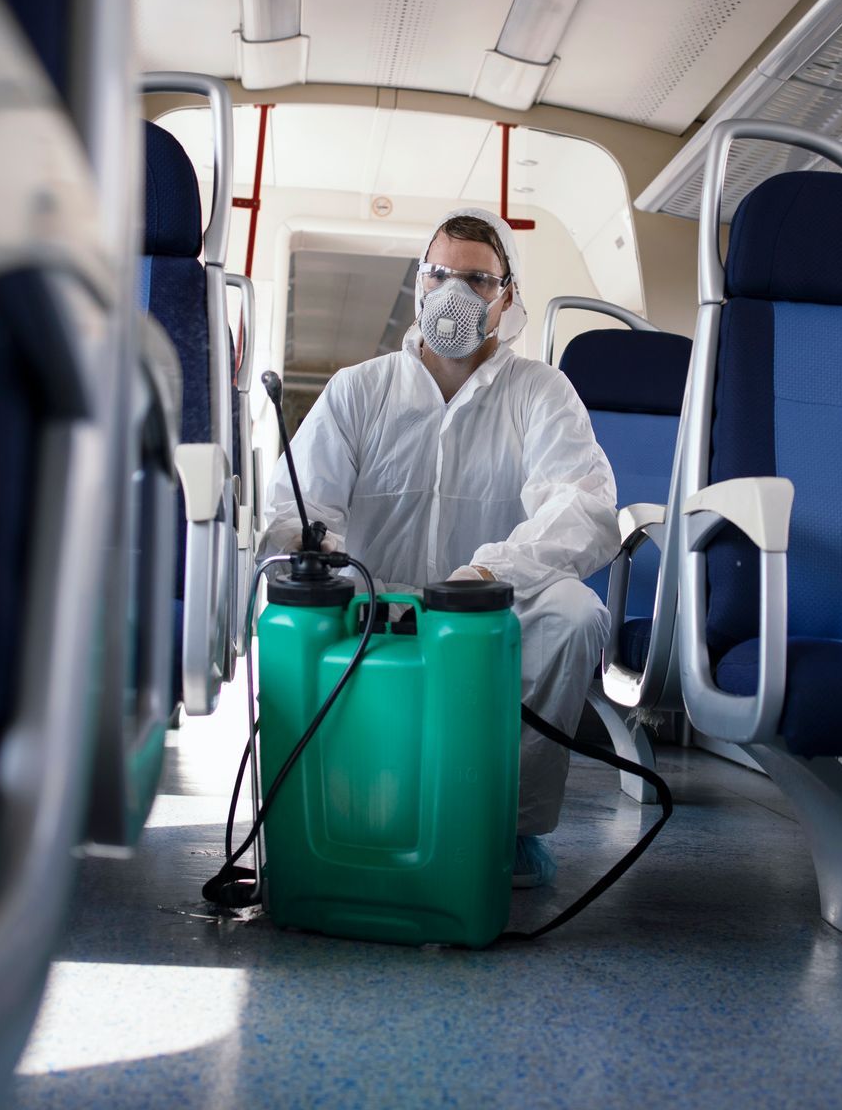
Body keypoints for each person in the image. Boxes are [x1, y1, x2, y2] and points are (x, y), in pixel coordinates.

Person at [260, 207, 618, 888]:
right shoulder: (358, 390)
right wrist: (327, 557)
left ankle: (510, 826)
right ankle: (327, 804)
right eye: (439, 274)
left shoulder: (540, 393)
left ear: (507, 298)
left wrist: (484, 575)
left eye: (477, 280)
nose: (454, 293)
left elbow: (583, 507)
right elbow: (292, 510)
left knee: (574, 614)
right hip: (369, 609)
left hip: (487, 610)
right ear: (420, 282)